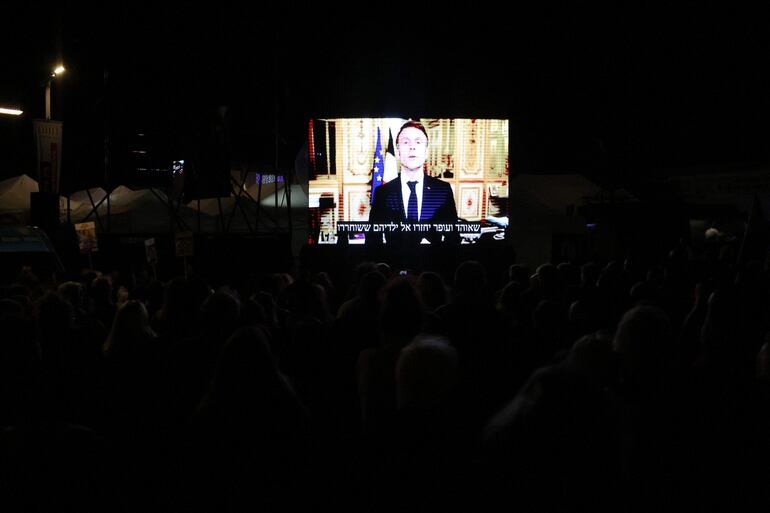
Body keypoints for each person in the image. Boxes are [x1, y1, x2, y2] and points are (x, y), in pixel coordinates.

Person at [369, 120, 458, 245]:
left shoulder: (443, 190)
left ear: (426, 152)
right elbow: (373, 240)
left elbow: (453, 238)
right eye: (406, 142)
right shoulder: (383, 193)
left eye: (418, 142)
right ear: (398, 153)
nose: (412, 147)